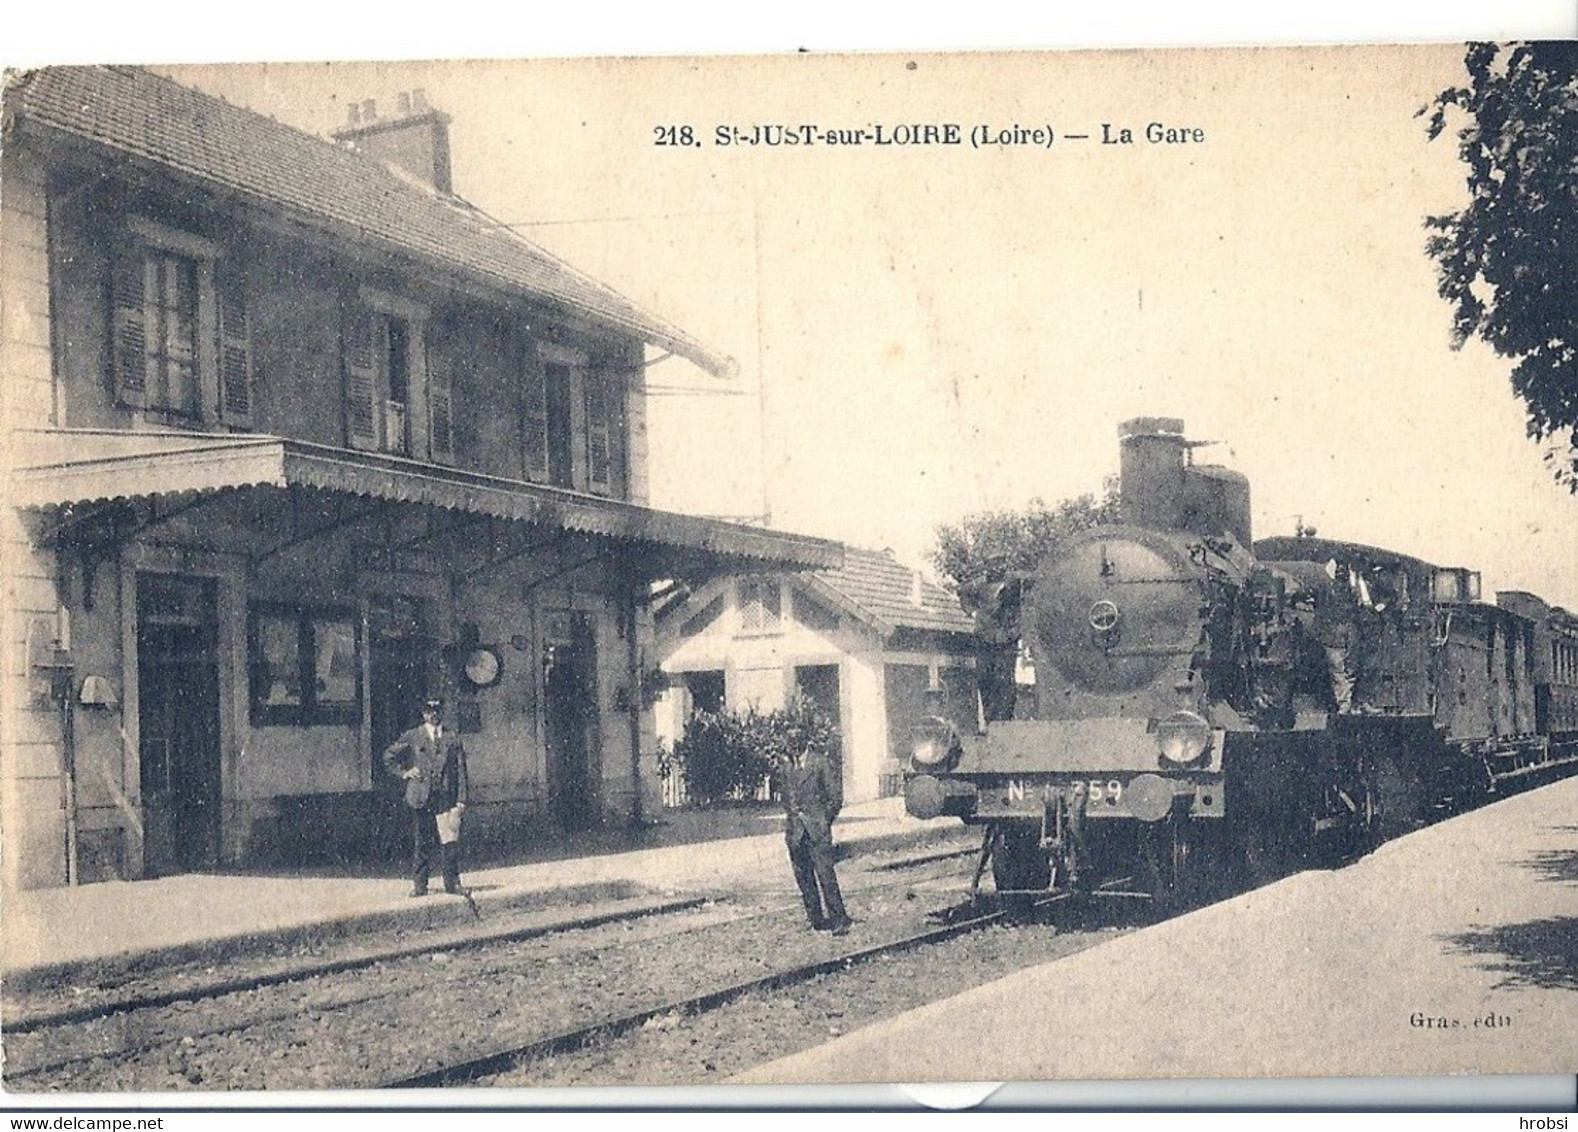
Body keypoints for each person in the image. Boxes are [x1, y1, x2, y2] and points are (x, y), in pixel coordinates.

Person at [382, 698, 469, 897]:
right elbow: (388, 756)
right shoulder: (413, 736)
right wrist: (405, 772)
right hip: (421, 797)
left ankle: (452, 884)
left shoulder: (452, 737)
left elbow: (462, 770)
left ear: (442, 712)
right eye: (429, 711)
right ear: (423, 714)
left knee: (449, 842)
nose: (433, 714)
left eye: (437, 710)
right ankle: (420, 886)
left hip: (445, 798)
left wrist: (462, 799)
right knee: (422, 842)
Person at [774, 739, 851, 935]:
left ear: (805, 741)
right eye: (789, 740)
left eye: (795, 739)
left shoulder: (819, 763)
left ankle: (839, 919)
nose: (791, 746)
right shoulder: (786, 767)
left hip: (817, 831)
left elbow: (835, 797)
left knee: (826, 875)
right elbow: (784, 796)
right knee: (803, 877)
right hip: (795, 832)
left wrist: (823, 820)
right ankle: (816, 919)